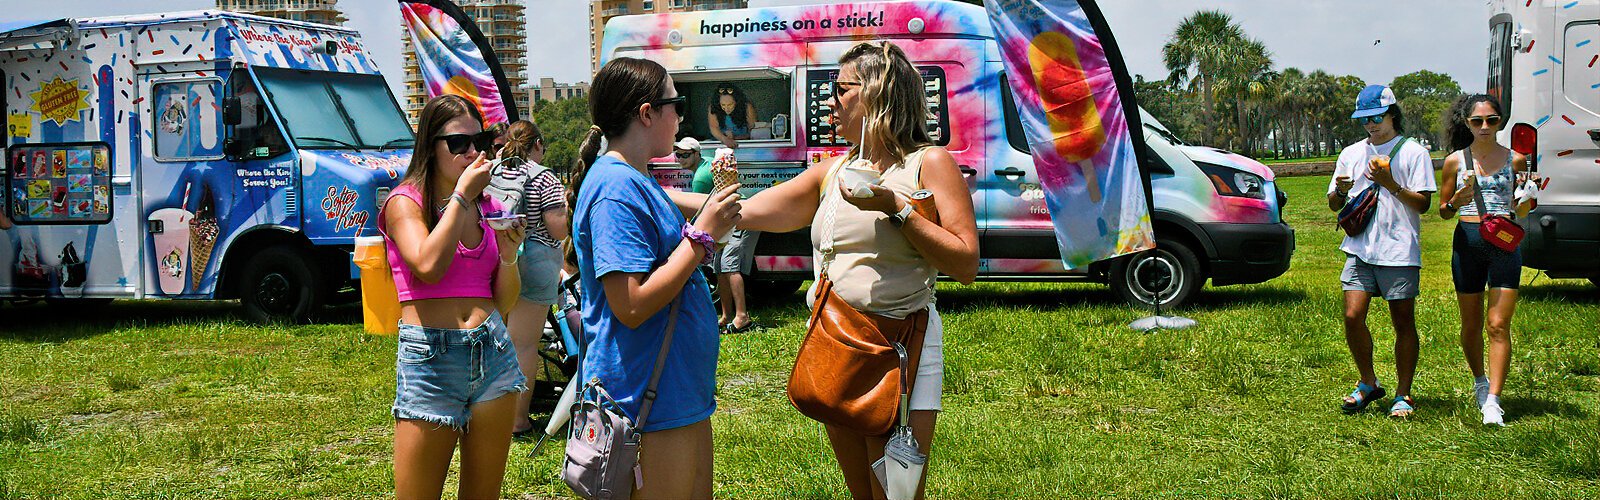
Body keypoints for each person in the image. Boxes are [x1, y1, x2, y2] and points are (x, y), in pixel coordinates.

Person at [673, 41, 978, 499]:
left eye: (840, 90)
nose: (828, 102)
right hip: (837, 344)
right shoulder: (833, 172)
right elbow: (745, 212)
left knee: (896, 494)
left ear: (877, 93)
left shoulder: (928, 164)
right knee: (862, 492)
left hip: (898, 350)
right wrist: (649, 189)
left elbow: (965, 263)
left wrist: (896, 207)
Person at [570, 57, 742, 498]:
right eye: (676, 103)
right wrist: (702, 241)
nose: (680, 115)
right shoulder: (615, 189)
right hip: (647, 394)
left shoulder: (633, 178)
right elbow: (630, 304)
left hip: (670, 390)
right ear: (647, 113)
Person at [379, 94, 527, 499]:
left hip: (492, 351)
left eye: (478, 141)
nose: (473, 152)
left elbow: (505, 300)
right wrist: (461, 198)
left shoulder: (489, 206)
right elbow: (428, 266)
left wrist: (511, 255)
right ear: (430, 146)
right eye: (459, 144)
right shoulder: (405, 203)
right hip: (432, 357)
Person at [1328, 84, 1436, 419]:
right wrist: (1341, 191)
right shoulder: (1351, 152)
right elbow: (1334, 203)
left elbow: (1424, 204)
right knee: (1352, 316)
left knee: (1402, 322)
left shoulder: (1413, 152)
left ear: (1392, 114)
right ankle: (1368, 383)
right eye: (1364, 119)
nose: (1371, 125)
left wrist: (1390, 182)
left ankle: (1403, 394)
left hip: (1399, 249)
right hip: (1359, 248)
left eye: (1376, 117)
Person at [1437, 94, 1536, 426]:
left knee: (1497, 325)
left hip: (1504, 243)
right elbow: (1443, 211)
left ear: (1500, 122)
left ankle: (1493, 400)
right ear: (1467, 123)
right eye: (1477, 121)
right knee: (1472, 324)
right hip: (1467, 242)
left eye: (1491, 120)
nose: (1484, 127)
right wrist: (1457, 200)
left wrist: (1526, 201)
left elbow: (1523, 209)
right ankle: (1480, 381)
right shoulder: (1455, 161)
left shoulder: (1517, 160)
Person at [482, 120, 570, 437]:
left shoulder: (493, 170)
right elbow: (558, 228)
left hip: (495, 256)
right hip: (534, 262)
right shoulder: (544, 177)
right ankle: (518, 420)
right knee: (524, 345)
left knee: (496, 339)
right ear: (537, 144)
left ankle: (490, 411)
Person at [680, 136, 761, 333]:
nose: (681, 158)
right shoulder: (707, 162)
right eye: (678, 154)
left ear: (697, 154)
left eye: (686, 154)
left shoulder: (700, 177)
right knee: (718, 267)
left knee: (729, 266)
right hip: (729, 218)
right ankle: (725, 316)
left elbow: (698, 215)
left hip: (740, 217)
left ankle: (742, 317)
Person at [706, 83, 758, 149]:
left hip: (744, 145)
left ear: (737, 101)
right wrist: (724, 139)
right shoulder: (713, 107)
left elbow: (753, 131)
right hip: (721, 145)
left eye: (730, 105)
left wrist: (734, 138)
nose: (727, 109)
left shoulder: (747, 107)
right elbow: (713, 127)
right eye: (723, 105)